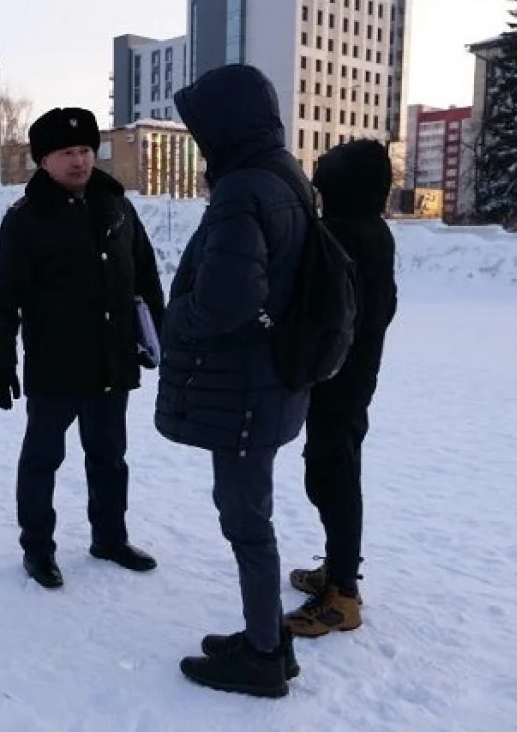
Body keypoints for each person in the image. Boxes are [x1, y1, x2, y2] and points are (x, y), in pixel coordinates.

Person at [155, 64, 311, 698]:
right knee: (252, 514)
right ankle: (268, 633)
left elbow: (226, 299)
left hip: (247, 385)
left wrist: (175, 320)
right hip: (272, 377)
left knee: (247, 521)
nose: (199, 144)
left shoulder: (243, 189)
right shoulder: (283, 176)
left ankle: (263, 657)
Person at [0, 106, 166, 590]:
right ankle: (37, 550)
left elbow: (145, 275)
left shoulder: (117, 207)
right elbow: (1, 297)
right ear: (44, 160)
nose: (80, 160)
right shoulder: (25, 220)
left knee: (109, 457)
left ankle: (110, 538)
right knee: (43, 460)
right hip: (56, 363)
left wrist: (155, 336)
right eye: (67, 153)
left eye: (86, 149)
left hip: (112, 359)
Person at [284, 139, 398, 638]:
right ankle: (338, 570)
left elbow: (314, 305)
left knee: (332, 474)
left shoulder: (342, 234)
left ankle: (343, 596)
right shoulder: (371, 231)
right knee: (331, 468)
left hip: (339, 377)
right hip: (349, 375)